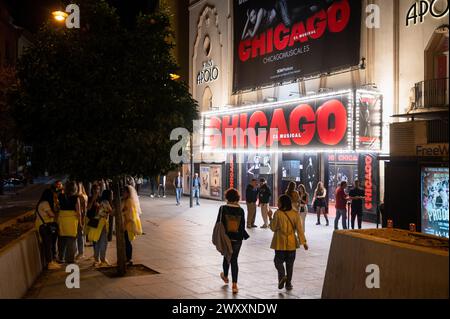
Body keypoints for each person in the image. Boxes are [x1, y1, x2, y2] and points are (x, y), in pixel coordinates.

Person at [268, 195, 308, 291]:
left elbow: (273, 228)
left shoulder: (278, 213)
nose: (277, 204)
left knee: (278, 261)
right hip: (291, 243)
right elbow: (300, 229)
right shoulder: (295, 214)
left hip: (279, 242)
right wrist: (304, 242)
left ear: (282, 203)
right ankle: (288, 284)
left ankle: (282, 276)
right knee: (290, 265)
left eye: (279, 202)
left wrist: (270, 217)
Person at [217, 188, 250, 294]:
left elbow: (219, 223)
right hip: (237, 239)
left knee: (226, 257)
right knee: (234, 260)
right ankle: (234, 285)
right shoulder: (240, 210)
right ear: (237, 198)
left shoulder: (222, 208)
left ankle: (225, 276)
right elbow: (242, 226)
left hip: (226, 238)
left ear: (227, 197)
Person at [35, 189, 60, 270]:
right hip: (45, 227)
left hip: (44, 226)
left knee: (49, 244)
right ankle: (50, 263)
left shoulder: (42, 203)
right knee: (48, 244)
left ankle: (51, 261)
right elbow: (51, 214)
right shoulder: (45, 203)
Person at [57, 181, 81, 264]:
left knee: (62, 239)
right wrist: (80, 222)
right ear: (75, 188)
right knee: (71, 239)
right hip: (72, 220)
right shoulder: (76, 197)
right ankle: (70, 259)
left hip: (62, 218)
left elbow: (57, 207)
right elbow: (78, 212)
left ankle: (61, 258)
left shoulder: (60, 196)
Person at [88, 190, 113, 267]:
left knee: (96, 241)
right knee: (103, 242)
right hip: (101, 223)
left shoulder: (101, 201)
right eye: (111, 195)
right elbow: (111, 212)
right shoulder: (106, 202)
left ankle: (96, 259)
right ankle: (102, 259)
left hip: (95, 221)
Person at [121, 185, 143, 265]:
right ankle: (127, 258)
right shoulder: (127, 200)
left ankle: (129, 259)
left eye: (124, 192)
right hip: (127, 223)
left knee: (127, 242)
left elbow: (130, 215)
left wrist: (124, 226)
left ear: (128, 193)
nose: (123, 193)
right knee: (127, 241)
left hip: (128, 224)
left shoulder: (129, 201)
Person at [75, 182, 88, 259]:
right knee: (80, 235)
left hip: (80, 217)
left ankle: (80, 252)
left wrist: (82, 219)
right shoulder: (84, 196)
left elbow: (83, 209)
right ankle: (80, 252)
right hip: (83, 216)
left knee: (79, 235)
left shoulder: (80, 197)